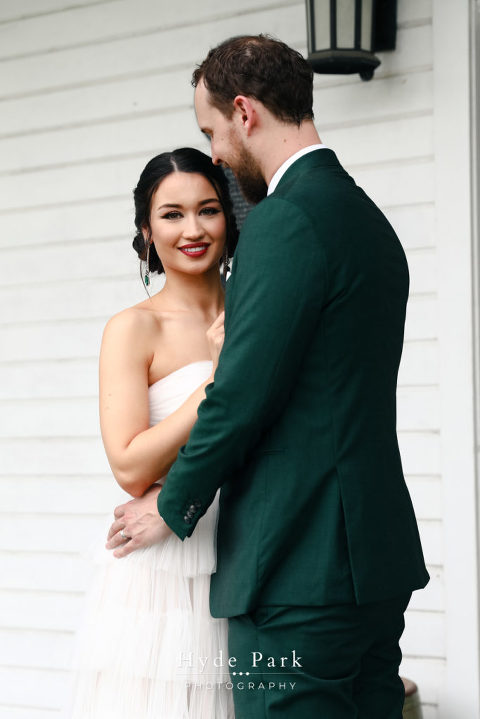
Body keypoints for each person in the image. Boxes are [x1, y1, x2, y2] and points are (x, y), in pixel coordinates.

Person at [106, 35, 430, 718]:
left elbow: (241, 395)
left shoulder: (284, 221)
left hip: (296, 569)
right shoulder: (368, 221)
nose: (217, 156)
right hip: (373, 564)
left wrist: (170, 505)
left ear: (245, 112)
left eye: (212, 133)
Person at [67, 148, 237, 719]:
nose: (193, 230)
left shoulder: (256, 314)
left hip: (250, 548)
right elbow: (130, 467)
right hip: (164, 569)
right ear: (146, 229)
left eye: (208, 209)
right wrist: (216, 381)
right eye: (172, 214)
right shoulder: (133, 328)